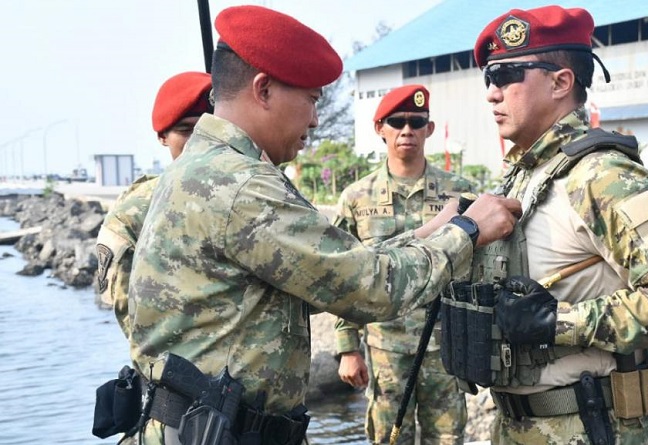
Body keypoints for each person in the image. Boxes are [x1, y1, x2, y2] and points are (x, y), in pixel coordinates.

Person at [126, 6, 522, 445]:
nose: (315, 120)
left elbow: (326, 267)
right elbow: (370, 288)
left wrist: (431, 231)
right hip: (217, 431)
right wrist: (467, 233)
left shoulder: (205, 168)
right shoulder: (241, 186)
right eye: (312, 100)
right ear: (263, 89)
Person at [441, 6, 648, 444]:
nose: (492, 94)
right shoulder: (526, 175)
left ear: (561, 82)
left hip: (588, 427)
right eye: (488, 79)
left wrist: (558, 322)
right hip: (518, 426)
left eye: (506, 76)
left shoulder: (602, 175)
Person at [333, 85, 470, 445]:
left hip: (445, 346)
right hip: (385, 349)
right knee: (389, 439)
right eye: (397, 122)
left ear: (429, 128)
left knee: (448, 438)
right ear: (380, 128)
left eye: (415, 122)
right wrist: (348, 348)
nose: (406, 130)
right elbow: (344, 276)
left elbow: (476, 267)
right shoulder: (356, 198)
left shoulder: (460, 193)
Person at [96, 71, 212, 338]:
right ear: (162, 136)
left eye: (207, 130)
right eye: (186, 131)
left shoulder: (248, 193)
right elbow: (123, 303)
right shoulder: (136, 209)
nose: (198, 141)